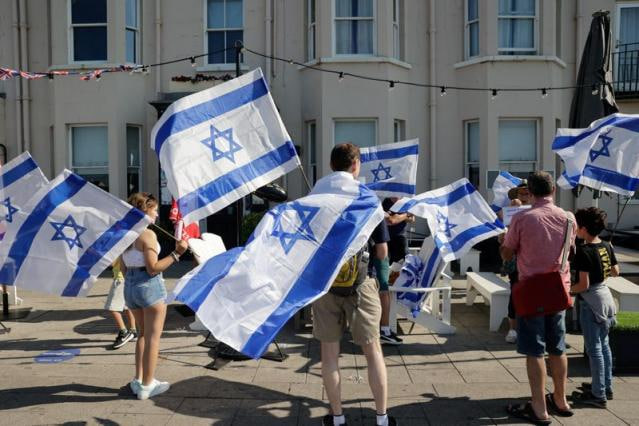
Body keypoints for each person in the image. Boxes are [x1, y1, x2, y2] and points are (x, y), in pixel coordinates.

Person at [313, 143, 396, 426]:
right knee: (373, 352)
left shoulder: (316, 194)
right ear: (356, 164)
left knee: (329, 355)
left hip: (326, 284)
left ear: (331, 165)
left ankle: (337, 418)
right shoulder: (367, 197)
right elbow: (382, 252)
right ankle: (382, 418)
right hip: (360, 284)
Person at [500, 171, 576, 424]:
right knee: (558, 348)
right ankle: (561, 400)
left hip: (531, 289)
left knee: (535, 351)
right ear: (553, 190)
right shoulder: (569, 218)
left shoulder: (522, 218)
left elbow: (507, 254)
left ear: (530, 192)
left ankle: (539, 407)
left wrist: (504, 240)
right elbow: (570, 251)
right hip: (558, 289)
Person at [121, 192, 188, 400]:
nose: (157, 214)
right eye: (155, 210)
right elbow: (153, 268)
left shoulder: (125, 234)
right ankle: (148, 385)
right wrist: (177, 254)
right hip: (149, 286)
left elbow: (123, 268)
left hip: (130, 287)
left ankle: (138, 379)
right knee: (152, 338)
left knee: (142, 334)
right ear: (145, 210)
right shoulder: (148, 235)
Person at [570, 207, 618, 408]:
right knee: (604, 346)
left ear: (583, 228)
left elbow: (583, 285)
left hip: (591, 304)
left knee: (594, 349)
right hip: (607, 300)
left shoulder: (584, 251)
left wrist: (567, 290)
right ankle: (605, 386)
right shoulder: (606, 245)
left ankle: (598, 395)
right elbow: (615, 271)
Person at [378, 197, 414, 345]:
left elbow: (412, 219)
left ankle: (385, 328)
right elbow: (391, 221)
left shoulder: (405, 201)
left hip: (399, 239)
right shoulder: (385, 202)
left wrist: (404, 216)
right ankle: (384, 329)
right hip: (384, 243)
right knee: (385, 284)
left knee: (399, 272)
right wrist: (405, 215)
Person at [502, 181, 529, 344]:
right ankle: (513, 328)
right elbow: (503, 234)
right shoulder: (509, 211)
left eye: (527, 193)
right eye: (521, 193)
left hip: (533, 259)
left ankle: (528, 327)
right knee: (515, 293)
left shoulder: (537, 210)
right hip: (516, 261)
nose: (524, 196)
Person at [105, 258, 137, 349]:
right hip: (127, 278)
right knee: (127, 307)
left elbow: (111, 263)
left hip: (120, 280)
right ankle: (133, 331)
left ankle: (124, 332)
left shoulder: (118, 250)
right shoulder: (124, 249)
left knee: (112, 307)